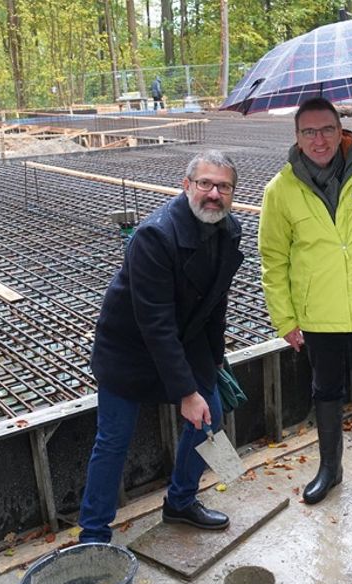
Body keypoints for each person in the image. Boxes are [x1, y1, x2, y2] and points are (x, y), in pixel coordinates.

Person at [78, 150, 244, 543]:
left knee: (210, 417)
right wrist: (186, 391)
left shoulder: (228, 229)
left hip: (185, 342)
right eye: (205, 183)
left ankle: (181, 502)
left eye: (223, 186)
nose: (213, 194)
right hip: (129, 350)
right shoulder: (155, 235)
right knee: (114, 439)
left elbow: (215, 302)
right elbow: (154, 322)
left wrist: (215, 360)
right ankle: (94, 534)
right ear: (186, 186)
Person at [258, 97, 352, 519]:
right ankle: (330, 469)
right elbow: (274, 260)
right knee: (325, 390)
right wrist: (285, 319)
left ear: (340, 129)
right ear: (297, 137)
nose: (319, 139)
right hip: (318, 312)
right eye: (309, 132)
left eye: (326, 129)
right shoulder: (280, 189)